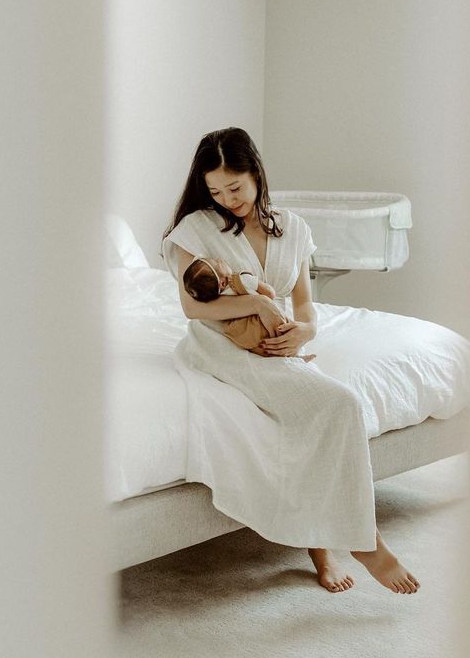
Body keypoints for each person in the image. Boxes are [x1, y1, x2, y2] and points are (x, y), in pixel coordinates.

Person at [161, 127, 420, 594]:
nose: (226, 199)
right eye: (216, 191)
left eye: (235, 188)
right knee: (338, 404)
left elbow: (304, 304)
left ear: (256, 174)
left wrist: (305, 330)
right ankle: (365, 541)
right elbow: (193, 307)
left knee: (318, 413)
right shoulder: (195, 229)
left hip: (280, 344)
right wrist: (257, 305)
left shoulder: (293, 227)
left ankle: (323, 548)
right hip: (221, 347)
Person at [183, 255, 317, 361]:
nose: (219, 259)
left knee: (265, 348)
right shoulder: (241, 280)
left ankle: (288, 359)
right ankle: (295, 358)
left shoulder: (215, 297)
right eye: (218, 262)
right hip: (262, 322)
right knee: (283, 329)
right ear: (222, 282)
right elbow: (270, 293)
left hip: (241, 335)